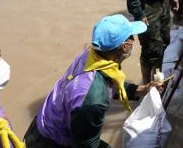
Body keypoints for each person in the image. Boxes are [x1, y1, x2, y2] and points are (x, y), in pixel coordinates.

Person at [24, 15, 154, 148]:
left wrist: (142, 90)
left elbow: (111, 84)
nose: (134, 40)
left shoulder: (93, 55)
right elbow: (86, 145)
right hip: (49, 142)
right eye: (131, 37)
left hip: (44, 123)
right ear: (124, 46)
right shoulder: (94, 99)